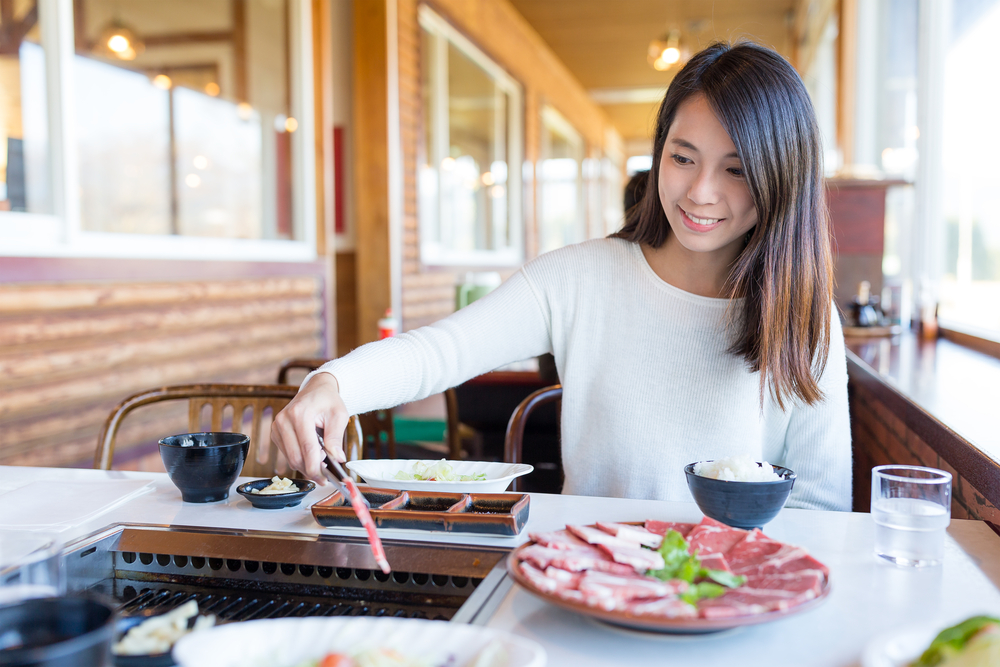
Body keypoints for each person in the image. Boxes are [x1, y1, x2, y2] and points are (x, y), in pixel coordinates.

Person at [271, 41, 851, 512]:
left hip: (734, 610)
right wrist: (335, 383)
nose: (701, 192)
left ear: (782, 177)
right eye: (682, 157)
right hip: (589, 582)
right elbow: (440, 351)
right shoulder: (578, 278)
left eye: (737, 169)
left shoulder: (805, 313)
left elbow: (820, 508)